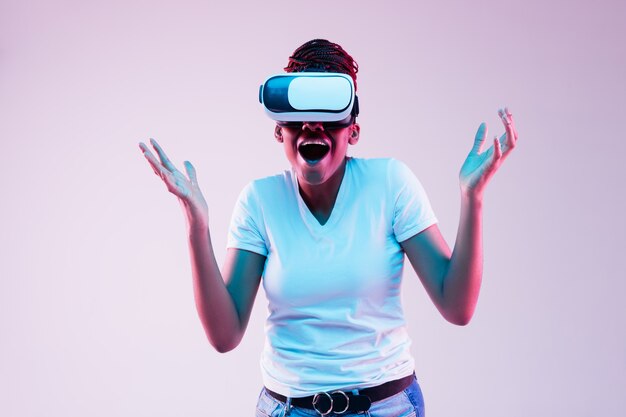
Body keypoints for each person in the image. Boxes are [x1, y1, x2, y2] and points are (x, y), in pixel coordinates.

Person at [138, 39, 518, 417]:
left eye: (328, 112)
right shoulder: (260, 201)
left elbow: (458, 306)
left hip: (386, 407)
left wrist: (473, 198)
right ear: (279, 131)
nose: (312, 124)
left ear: (353, 130)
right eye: (298, 114)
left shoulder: (390, 183)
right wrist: (196, 224)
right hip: (287, 409)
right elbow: (224, 336)